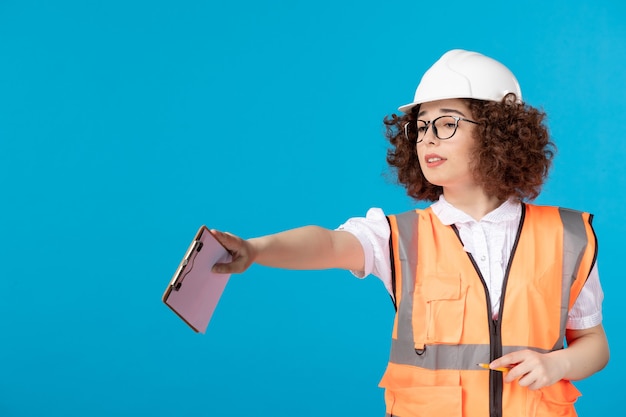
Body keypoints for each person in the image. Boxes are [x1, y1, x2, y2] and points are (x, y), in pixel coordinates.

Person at [209, 49, 609, 417]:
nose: (428, 137)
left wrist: (557, 364)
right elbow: (329, 243)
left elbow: (593, 342)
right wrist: (255, 249)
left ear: (498, 132)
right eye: (420, 127)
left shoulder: (567, 235)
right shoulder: (399, 236)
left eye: (448, 123)